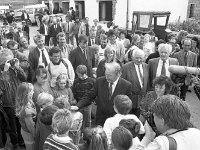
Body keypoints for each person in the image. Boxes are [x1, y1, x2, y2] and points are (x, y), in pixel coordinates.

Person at [92, 61, 132, 125]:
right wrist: (78, 105)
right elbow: (90, 95)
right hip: (101, 120)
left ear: (118, 74)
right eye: (106, 74)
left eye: (109, 75)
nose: (107, 77)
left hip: (116, 122)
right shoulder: (99, 81)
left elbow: (126, 105)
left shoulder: (126, 85)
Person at [121, 49, 149, 117]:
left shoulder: (147, 66)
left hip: (143, 100)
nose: (139, 60)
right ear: (132, 57)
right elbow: (122, 83)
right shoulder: (125, 67)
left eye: (141, 58)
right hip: (130, 99)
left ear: (144, 58)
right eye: (137, 58)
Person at [16, 82, 36, 150]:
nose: (33, 92)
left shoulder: (27, 102)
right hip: (29, 134)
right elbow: (31, 128)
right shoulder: (27, 112)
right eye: (32, 91)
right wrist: (36, 136)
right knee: (31, 147)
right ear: (28, 94)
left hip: (24, 129)